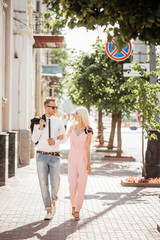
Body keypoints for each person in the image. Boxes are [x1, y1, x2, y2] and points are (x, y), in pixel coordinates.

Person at [31, 97, 66, 220]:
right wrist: (41, 128)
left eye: (55, 107)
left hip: (55, 156)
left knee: (55, 183)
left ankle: (54, 200)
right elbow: (34, 139)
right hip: (41, 156)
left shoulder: (59, 121)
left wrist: (55, 141)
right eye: (53, 107)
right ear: (46, 107)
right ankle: (48, 209)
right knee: (43, 183)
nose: (55, 109)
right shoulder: (38, 121)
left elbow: (64, 138)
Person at [66, 106, 93, 221]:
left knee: (81, 185)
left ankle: (77, 210)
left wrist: (89, 163)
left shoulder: (89, 130)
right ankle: (73, 205)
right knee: (72, 185)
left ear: (82, 115)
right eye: (75, 113)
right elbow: (63, 138)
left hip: (83, 159)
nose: (75, 115)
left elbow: (87, 147)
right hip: (72, 158)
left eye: (77, 113)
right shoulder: (72, 127)